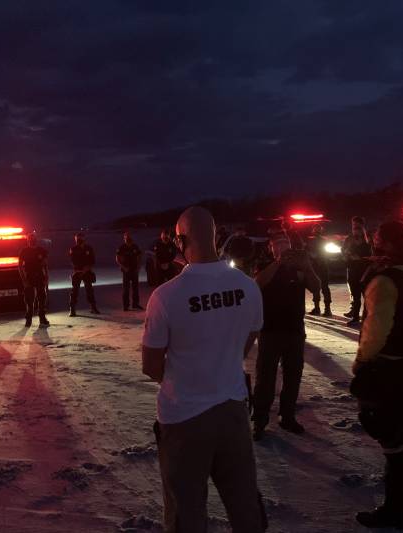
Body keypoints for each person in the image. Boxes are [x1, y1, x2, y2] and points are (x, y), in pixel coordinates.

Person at [142, 206, 267, 533]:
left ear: (181, 241)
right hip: (233, 411)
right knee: (244, 503)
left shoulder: (166, 296)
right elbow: (248, 338)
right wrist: (220, 364)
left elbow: (151, 366)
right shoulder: (247, 286)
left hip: (184, 417)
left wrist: (189, 375)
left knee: (186, 511)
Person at [350, 221, 403, 530]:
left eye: (376, 237)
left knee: (389, 432)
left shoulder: (386, 281)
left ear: (384, 243)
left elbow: (377, 329)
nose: (372, 241)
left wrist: (361, 361)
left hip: (388, 368)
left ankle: (395, 508)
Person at [251, 231, 321, 441]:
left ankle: (287, 416)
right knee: (265, 377)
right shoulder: (264, 263)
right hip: (269, 330)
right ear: (271, 247)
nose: (283, 247)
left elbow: (316, 287)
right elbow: (257, 284)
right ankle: (260, 419)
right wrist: (278, 263)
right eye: (278, 244)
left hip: (294, 330)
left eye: (285, 243)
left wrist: (307, 267)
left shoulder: (299, 265)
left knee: (293, 375)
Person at [342, 216, 372, 326]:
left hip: (364, 271)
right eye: (353, 225)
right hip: (352, 270)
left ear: (362, 226)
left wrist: (361, 258)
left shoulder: (368, 239)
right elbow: (343, 251)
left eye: (357, 225)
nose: (355, 227)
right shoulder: (349, 239)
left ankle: (366, 318)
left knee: (366, 296)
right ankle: (355, 317)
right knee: (355, 296)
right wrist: (347, 255)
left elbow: (372, 253)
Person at [19, 233, 50, 327]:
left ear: (36, 239)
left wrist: (46, 276)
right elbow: (20, 266)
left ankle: (42, 318)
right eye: (30, 238)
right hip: (29, 277)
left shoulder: (41, 250)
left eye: (34, 238)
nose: (32, 240)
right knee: (29, 300)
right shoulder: (24, 251)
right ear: (27, 240)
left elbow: (45, 264)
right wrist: (24, 279)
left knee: (42, 299)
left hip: (40, 276)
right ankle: (28, 319)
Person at [69, 232, 99, 317]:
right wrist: (81, 270)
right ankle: (72, 309)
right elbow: (73, 261)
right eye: (77, 239)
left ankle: (93, 307)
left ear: (83, 239)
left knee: (89, 290)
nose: (78, 240)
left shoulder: (89, 248)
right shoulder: (73, 249)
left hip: (87, 271)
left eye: (80, 238)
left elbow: (93, 260)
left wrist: (87, 268)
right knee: (75, 291)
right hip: (77, 272)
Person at [307, 224, 333, 317]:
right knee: (323, 287)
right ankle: (325, 309)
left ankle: (319, 308)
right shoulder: (322, 241)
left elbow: (310, 254)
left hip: (318, 266)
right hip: (321, 266)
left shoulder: (312, 241)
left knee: (318, 287)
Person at [116, 232, 143, 311]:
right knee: (126, 289)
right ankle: (126, 305)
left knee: (135, 288)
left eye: (129, 238)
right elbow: (117, 259)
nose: (128, 239)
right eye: (126, 238)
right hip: (126, 271)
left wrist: (138, 267)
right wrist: (123, 267)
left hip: (134, 270)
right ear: (124, 238)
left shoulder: (135, 246)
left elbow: (140, 257)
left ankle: (135, 304)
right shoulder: (122, 247)